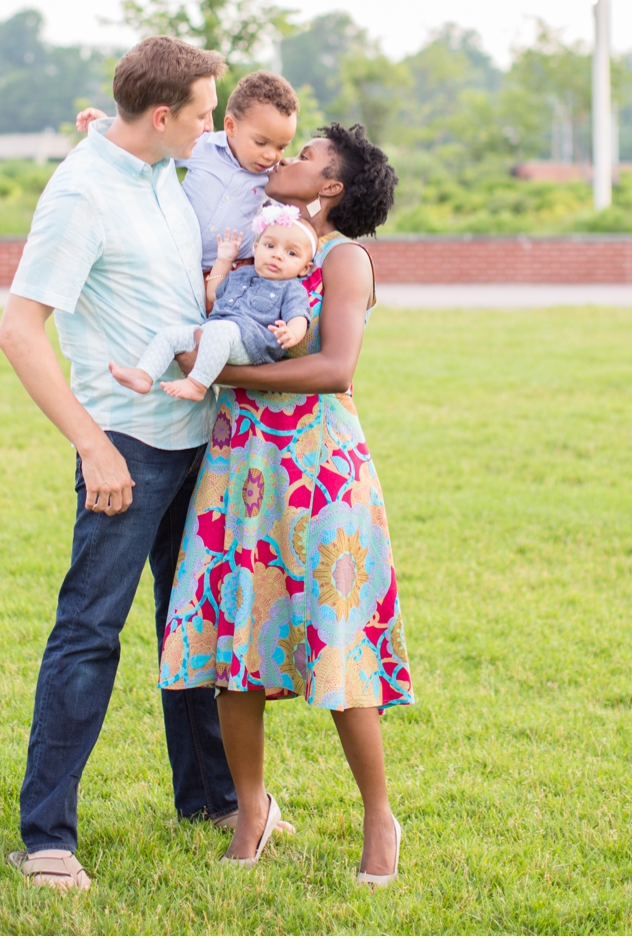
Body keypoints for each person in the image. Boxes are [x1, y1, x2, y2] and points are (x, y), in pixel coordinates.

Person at [0, 35, 251, 894]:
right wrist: (93, 444)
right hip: (127, 448)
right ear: (164, 115)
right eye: (206, 115)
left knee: (193, 633)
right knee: (89, 634)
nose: (214, 131)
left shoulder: (160, 173)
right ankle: (46, 838)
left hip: (195, 443)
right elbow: (17, 331)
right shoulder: (81, 194)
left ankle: (212, 800)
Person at [158, 123, 411, 887]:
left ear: (331, 188)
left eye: (308, 158)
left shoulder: (344, 259)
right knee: (240, 641)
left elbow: (336, 367)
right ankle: (251, 807)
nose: (289, 160)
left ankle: (379, 816)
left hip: (319, 475)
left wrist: (219, 376)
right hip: (242, 464)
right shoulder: (264, 241)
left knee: (337, 643)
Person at [78, 68, 301, 273]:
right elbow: (151, 145)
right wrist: (110, 125)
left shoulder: (273, 178)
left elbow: (292, 212)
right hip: (176, 260)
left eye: (281, 147)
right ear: (231, 126)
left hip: (232, 272)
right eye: (261, 143)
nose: (271, 155)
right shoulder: (203, 147)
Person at [110, 204, 317, 402]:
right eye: (270, 245)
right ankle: (144, 374)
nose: (277, 255)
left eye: (291, 253)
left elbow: (298, 315)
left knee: (220, 331)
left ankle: (197, 385)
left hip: (251, 344)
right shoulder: (242, 273)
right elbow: (213, 294)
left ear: (304, 268)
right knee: (170, 335)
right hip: (214, 332)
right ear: (256, 248)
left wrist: (292, 333)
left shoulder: (291, 288)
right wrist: (224, 260)